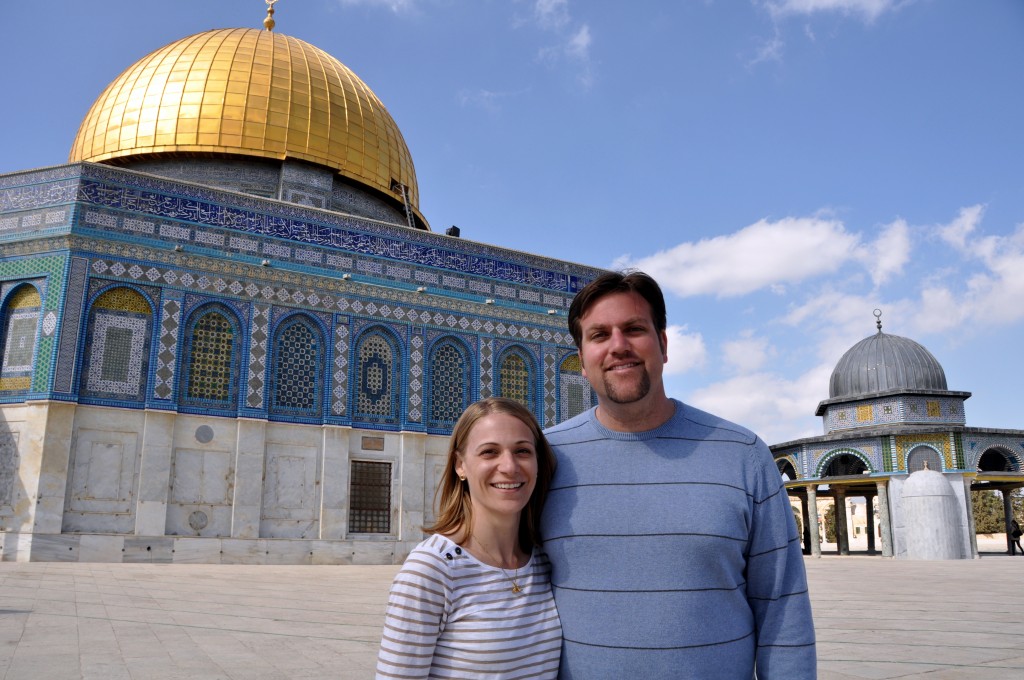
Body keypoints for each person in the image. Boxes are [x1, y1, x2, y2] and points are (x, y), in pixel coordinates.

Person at [541, 271, 816, 679]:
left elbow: (782, 608)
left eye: (634, 329)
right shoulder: (544, 461)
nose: (618, 346)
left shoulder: (742, 455)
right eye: (599, 336)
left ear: (664, 344)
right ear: (581, 361)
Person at [376, 398, 562, 679]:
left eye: (522, 451)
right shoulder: (431, 570)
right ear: (460, 465)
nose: (509, 466)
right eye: (489, 452)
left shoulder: (543, 563)